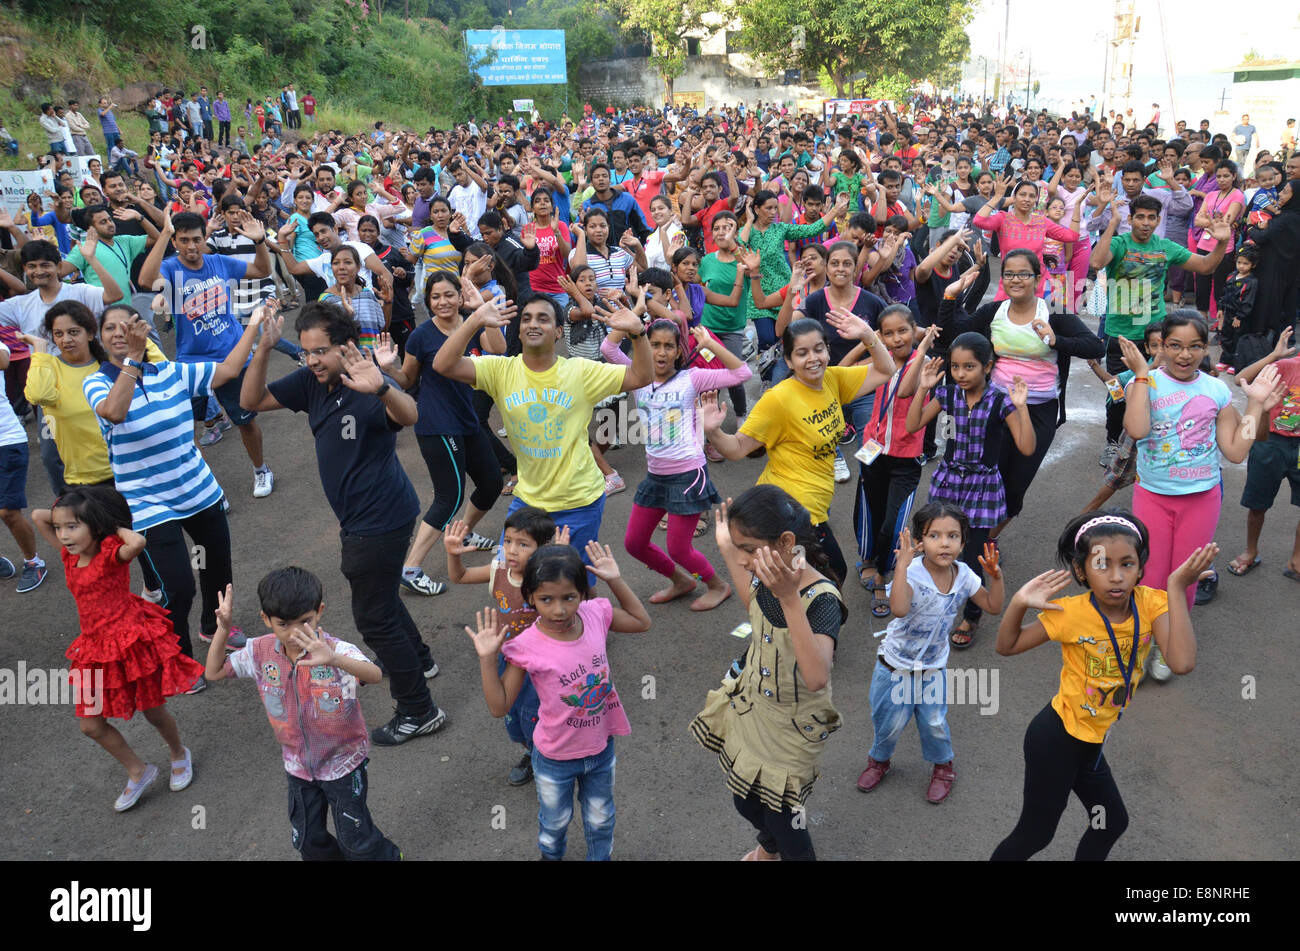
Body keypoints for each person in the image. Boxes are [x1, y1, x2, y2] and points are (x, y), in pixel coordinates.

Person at [240, 302, 447, 744]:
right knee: (384, 602)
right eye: (307, 351)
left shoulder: (367, 383)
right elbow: (250, 401)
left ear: (345, 347)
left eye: (322, 351)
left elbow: (410, 415)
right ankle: (421, 659)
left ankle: (418, 709)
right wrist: (263, 348)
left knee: (373, 618)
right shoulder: (312, 382)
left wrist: (383, 388)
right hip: (366, 517)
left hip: (377, 522)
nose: (313, 359)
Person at [991, 511, 1213, 860]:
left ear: (1141, 568)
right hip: (1057, 739)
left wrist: (1177, 586)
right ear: (1081, 571)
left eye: (1127, 564)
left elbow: (1182, 662)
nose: (1116, 577)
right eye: (1101, 564)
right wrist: (1018, 603)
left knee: (1110, 823)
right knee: (1035, 833)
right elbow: (1007, 646)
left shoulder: (1152, 604)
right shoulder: (1069, 612)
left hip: (1092, 740)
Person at [433, 293, 651, 573]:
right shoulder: (500, 370)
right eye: (526, 319)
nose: (533, 324)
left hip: (579, 501)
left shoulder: (580, 371)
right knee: (511, 578)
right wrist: (474, 319)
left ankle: (592, 618)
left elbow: (641, 377)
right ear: (519, 330)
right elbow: (443, 365)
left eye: (543, 318)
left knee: (572, 586)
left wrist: (638, 332)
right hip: (528, 501)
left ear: (559, 331)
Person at [1117, 312, 1283, 677]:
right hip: (1153, 496)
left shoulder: (1216, 390)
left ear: (1206, 347)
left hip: (1201, 498)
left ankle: (1170, 645)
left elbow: (1237, 451)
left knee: (1186, 576)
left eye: (1194, 346)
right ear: (1161, 346)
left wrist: (1255, 405)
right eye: (1174, 345)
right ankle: (1143, 643)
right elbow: (1138, 428)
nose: (1184, 354)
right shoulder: (1144, 383)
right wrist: (1142, 376)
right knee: (1151, 576)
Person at [466, 541, 651, 860]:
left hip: (601, 749)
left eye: (569, 597)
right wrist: (486, 658)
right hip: (554, 758)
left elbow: (641, 621)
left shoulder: (596, 614)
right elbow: (499, 707)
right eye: (546, 599)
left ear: (583, 594)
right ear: (530, 599)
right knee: (554, 825)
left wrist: (615, 580)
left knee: (601, 820)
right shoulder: (525, 646)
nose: (559, 609)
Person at [691, 486, 847, 861]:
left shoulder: (821, 600)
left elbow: (816, 678)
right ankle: (769, 845)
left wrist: (790, 599)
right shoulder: (765, 575)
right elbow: (755, 606)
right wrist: (728, 547)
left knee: (786, 822)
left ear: (786, 542)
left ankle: (777, 848)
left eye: (748, 548)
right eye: (740, 549)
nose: (744, 560)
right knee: (745, 801)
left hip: (792, 728)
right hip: (754, 709)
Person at [203, 569, 398, 860]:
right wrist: (222, 628)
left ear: (319, 612)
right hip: (298, 767)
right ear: (266, 620)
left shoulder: (334, 650)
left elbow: (375, 673)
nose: (294, 633)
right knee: (307, 839)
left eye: (304, 621)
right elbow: (214, 671)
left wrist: (334, 659)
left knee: (355, 838)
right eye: (283, 624)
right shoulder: (259, 652)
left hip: (344, 764)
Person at [31, 486, 201, 812]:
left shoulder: (110, 554)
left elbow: (136, 542)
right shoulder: (69, 556)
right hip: (94, 651)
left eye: (72, 526)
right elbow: (39, 516)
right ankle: (138, 770)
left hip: (129, 645)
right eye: (61, 527)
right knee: (90, 725)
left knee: (152, 711)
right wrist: (70, 513)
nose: (63, 535)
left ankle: (179, 752)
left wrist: (106, 521)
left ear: (95, 527)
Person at [701, 316, 896, 586]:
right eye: (802, 353)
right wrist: (714, 432)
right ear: (789, 361)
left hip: (813, 505)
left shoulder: (832, 380)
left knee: (804, 585)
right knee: (828, 579)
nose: (813, 358)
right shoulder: (779, 399)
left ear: (828, 350)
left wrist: (866, 334)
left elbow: (886, 370)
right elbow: (737, 449)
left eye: (819, 349)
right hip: (789, 510)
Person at [857, 503, 1004, 802]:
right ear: (920, 542)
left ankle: (943, 767)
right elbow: (898, 609)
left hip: (932, 667)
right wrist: (900, 567)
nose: (945, 543)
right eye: (935, 535)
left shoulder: (964, 575)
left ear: (964, 542)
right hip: (893, 666)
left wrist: (996, 577)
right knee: (888, 722)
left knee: (934, 722)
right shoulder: (910, 572)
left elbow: (993, 606)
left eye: (953, 535)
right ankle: (879, 761)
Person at [600, 317, 746, 611]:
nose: (662, 352)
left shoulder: (692, 378)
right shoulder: (636, 376)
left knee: (679, 547)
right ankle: (681, 580)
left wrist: (710, 345)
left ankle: (717, 585)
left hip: (689, 474)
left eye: (669, 346)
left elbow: (742, 372)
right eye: (654, 345)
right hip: (655, 475)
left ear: (679, 352)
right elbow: (608, 346)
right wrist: (633, 321)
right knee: (634, 543)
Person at [375, 272, 506, 596]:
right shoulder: (421, 336)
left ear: (460, 298)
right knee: (450, 497)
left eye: (449, 295)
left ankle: (464, 533)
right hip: (435, 423)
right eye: (435, 297)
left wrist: (482, 315)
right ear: (428, 300)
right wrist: (389, 368)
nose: (443, 302)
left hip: (467, 420)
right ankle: (411, 566)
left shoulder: (472, 325)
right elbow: (407, 380)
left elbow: (499, 350)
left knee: (491, 483)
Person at [903, 332, 1036, 648]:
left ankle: (971, 616)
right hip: (948, 480)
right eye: (955, 367)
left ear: (988, 366)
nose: (960, 374)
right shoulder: (947, 395)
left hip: (981, 486)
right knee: (936, 545)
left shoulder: (1000, 402)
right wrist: (923, 387)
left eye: (969, 367)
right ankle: (934, 601)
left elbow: (1027, 447)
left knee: (974, 555)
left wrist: (1022, 407)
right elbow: (912, 425)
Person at [139, 211, 276, 498]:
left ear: (205, 239)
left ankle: (261, 469)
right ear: (175, 240)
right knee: (189, 428)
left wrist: (260, 241)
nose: (191, 246)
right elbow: (145, 279)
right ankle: (206, 486)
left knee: (245, 420)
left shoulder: (218, 262)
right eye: (183, 240)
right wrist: (163, 233)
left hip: (232, 355)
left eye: (197, 239)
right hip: (192, 361)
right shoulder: (170, 268)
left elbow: (262, 270)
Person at [1090, 196, 1234, 457]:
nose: (1146, 223)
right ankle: (1113, 442)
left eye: (1151, 217)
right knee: (1116, 393)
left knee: (1158, 391)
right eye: (1140, 217)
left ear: (1158, 220)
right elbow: (1097, 262)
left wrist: (1222, 242)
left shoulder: (1166, 247)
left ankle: (1147, 442)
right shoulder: (1120, 243)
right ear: (1131, 218)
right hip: (1120, 335)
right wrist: (1112, 223)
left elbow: (1205, 266)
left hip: (1157, 337)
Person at [445, 506, 556, 786]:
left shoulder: (549, 579)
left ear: (543, 548)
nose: (512, 550)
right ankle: (531, 751)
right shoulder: (499, 571)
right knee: (513, 717)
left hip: (540, 664)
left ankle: (544, 759)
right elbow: (458, 577)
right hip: (506, 658)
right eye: (507, 541)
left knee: (535, 714)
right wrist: (452, 554)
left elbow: (579, 603)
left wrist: (559, 562)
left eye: (523, 544)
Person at [1228, 328, 1300, 581]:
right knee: (1258, 503)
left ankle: (1297, 560)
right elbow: (1240, 380)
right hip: (1270, 442)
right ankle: (1250, 550)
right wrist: (1273, 356)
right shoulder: (1287, 366)